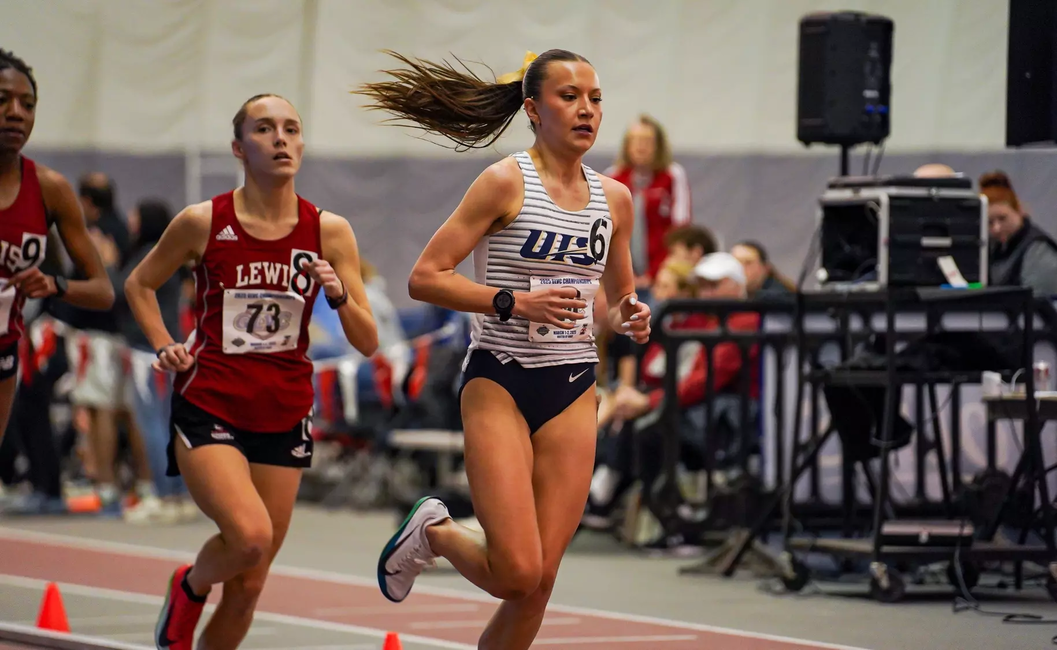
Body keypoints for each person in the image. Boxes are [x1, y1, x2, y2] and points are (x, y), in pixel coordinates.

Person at [356, 49, 651, 649]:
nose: (587, 110)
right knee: (515, 571)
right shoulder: (504, 181)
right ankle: (435, 532)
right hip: (501, 381)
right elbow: (426, 276)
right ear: (533, 109)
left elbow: (620, 296)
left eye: (595, 98)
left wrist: (631, 316)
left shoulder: (615, 199)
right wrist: (512, 302)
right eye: (570, 97)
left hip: (572, 384)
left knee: (538, 582)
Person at [125, 93, 378, 650]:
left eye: (292, 128)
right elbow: (139, 284)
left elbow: (367, 340)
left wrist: (337, 293)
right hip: (211, 402)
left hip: (284, 412)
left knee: (249, 584)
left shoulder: (329, 231)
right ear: (240, 148)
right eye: (265, 129)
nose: (281, 138)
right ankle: (188, 586)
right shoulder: (202, 221)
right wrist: (164, 342)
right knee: (249, 537)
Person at [0, 49, 114, 445]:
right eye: (2, 100)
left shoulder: (50, 189)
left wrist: (54, 285)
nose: (16, 112)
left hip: (4, 353)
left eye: (27, 104)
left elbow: (103, 291)